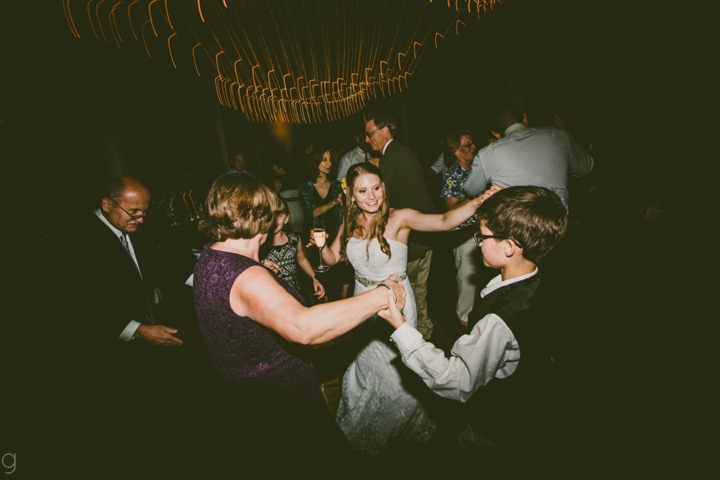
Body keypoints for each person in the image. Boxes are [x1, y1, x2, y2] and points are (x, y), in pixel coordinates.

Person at [192, 173, 407, 475]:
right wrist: (381, 295)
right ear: (261, 215)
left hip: (246, 398)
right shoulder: (245, 276)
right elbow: (304, 328)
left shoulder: (212, 256)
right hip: (279, 401)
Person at [378, 186, 568, 475]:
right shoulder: (536, 284)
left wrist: (400, 325)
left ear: (509, 246)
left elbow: (456, 380)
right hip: (530, 416)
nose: (478, 243)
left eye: (483, 236)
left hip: (497, 433)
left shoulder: (501, 319)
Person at [312, 162, 499, 455]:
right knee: (366, 363)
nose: (372, 196)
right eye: (363, 191)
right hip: (362, 299)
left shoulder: (400, 218)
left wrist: (477, 201)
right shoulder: (349, 221)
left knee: (394, 368)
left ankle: (391, 422)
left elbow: (445, 220)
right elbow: (333, 258)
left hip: (394, 301)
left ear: (383, 187)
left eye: (376, 187)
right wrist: (320, 246)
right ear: (352, 196)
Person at [364, 111, 436, 339]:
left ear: (384, 131)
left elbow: (385, 205)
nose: (367, 140)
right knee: (421, 294)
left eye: (369, 134)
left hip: (410, 242)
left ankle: (414, 342)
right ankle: (425, 337)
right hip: (423, 238)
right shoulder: (405, 152)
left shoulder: (391, 158)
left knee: (406, 297)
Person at [464, 103, 594, 209]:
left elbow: (471, 190)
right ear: (525, 118)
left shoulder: (487, 154)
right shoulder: (560, 136)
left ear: (496, 134)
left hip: (512, 228)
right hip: (554, 225)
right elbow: (587, 167)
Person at [440, 130, 485, 326]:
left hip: (485, 230)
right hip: (464, 234)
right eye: (467, 145)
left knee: (483, 276)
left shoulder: (480, 170)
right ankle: (464, 320)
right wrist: (475, 199)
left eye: (473, 143)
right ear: (455, 152)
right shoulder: (452, 175)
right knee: (467, 279)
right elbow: (451, 208)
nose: (473, 147)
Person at [299, 146, 352, 299]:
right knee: (326, 285)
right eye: (324, 160)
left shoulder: (337, 185)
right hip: (317, 238)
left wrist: (346, 203)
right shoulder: (305, 186)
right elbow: (313, 213)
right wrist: (334, 202)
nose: (329, 163)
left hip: (337, 237)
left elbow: (344, 213)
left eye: (330, 159)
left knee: (344, 281)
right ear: (315, 162)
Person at [263, 197, 325, 300]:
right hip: (270, 295)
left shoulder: (294, 239)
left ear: (287, 218)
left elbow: (302, 259)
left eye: (278, 215)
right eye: (270, 215)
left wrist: (315, 278)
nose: (274, 220)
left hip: (294, 293)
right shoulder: (261, 244)